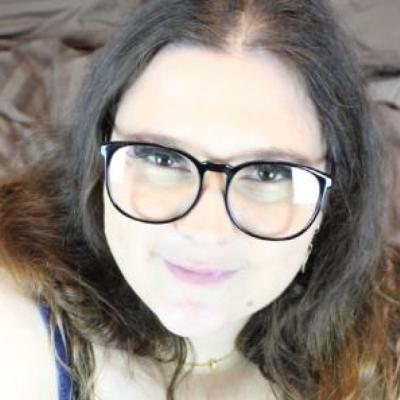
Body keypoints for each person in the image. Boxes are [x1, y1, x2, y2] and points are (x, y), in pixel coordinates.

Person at [0, 0, 399, 399]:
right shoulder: (17, 333)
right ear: (98, 159)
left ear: (334, 195)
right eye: (162, 159)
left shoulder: (381, 340)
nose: (205, 231)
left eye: (267, 173)